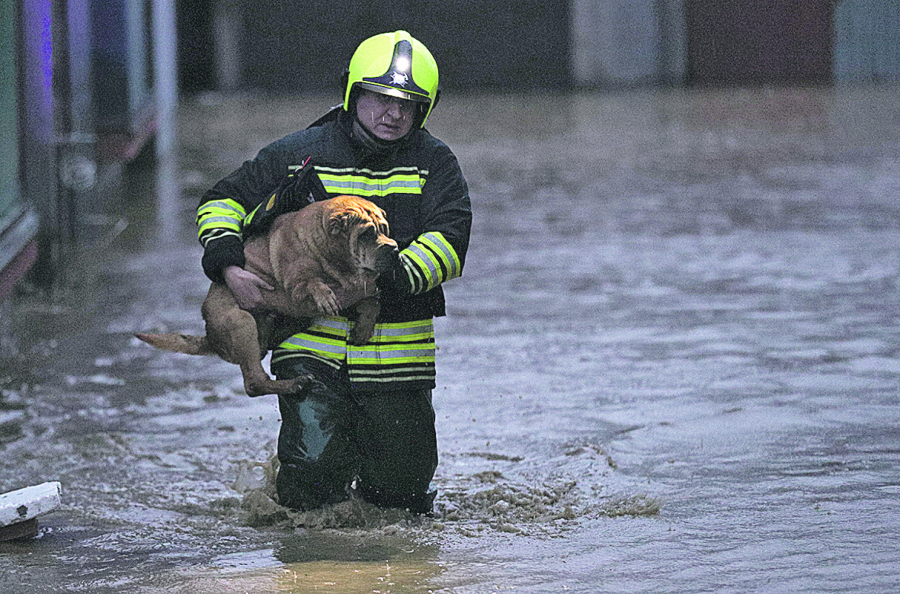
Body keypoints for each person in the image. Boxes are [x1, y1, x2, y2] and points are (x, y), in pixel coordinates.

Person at [195, 31, 471, 514]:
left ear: (424, 110)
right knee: (312, 479)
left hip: (400, 353)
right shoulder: (298, 154)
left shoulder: (435, 164)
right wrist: (229, 264)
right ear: (352, 93)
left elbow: (450, 243)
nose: (393, 114)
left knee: (402, 494)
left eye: (408, 104)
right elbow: (223, 201)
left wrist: (382, 277)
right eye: (380, 98)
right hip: (308, 344)